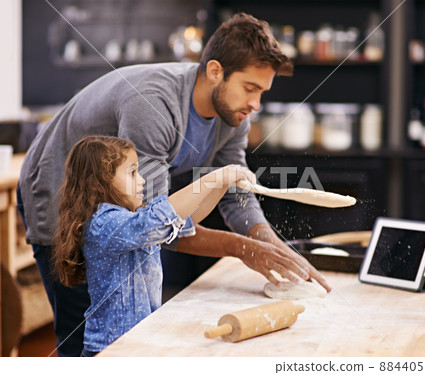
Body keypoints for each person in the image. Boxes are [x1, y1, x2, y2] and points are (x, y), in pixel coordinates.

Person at [18, 12, 331, 356]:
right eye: (250, 88)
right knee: (85, 336)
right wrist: (243, 248)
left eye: (262, 92)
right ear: (215, 72)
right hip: (58, 187)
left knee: (134, 323)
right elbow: (154, 223)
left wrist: (267, 241)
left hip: (128, 211)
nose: (255, 105)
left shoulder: (234, 115)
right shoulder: (154, 104)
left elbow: (234, 192)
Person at [53, 136, 255, 356]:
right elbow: (162, 217)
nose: (141, 180)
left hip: (137, 344)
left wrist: (221, 184)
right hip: (110, 352)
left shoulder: (131, 218)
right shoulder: (105, 224)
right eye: (132, 173)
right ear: (98, 183)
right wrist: (214, 177)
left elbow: (188, 217)